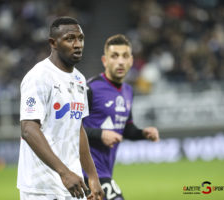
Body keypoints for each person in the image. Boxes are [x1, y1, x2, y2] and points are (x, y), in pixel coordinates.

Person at [17, 16, 104, 200]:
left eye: (80, 38)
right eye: (70, 38)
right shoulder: (39, 77)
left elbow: (77, 129)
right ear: (53, 43)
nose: (78, 44)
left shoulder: (79, 80)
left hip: (72, 184)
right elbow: (28, 129)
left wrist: (93, 176)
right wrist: (64, 173)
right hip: (41, 188)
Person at [83, 34, 160, 200]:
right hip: (85, 172)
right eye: (114, 56)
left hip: (105, 172)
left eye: (125, 56)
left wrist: (142, 133)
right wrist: (101, 134)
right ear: (105, 61)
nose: (120, 61)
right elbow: (69, 129)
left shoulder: (128, 91)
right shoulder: (90, 89)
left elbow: (126, 128)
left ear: (131, 61)